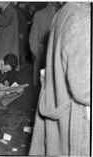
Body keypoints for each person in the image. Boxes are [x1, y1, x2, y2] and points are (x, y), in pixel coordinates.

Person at [29, 3, 90, 156]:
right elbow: (83, 88)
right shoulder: (82, 17)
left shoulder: (65, 12)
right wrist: (38, 56)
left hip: (59, 102)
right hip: (75, 119)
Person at [29, 2, 59, 86]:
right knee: (42, 89)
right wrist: (39, 55)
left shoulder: (63, 14)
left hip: (58, 60)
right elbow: (33, 38)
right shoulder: (39, 15)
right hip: (42, 59)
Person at [0, 2, 20, 70]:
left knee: (5, 65)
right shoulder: (3, 11)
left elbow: (4, 22)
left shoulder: (11, 10)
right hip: (2, 43)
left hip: (6, 45)